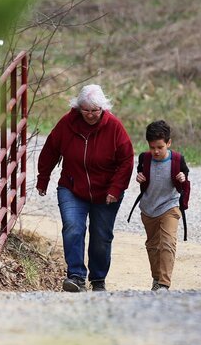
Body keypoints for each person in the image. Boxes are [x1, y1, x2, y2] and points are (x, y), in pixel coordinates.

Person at [36, 84, 134, 292]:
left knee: (101, 236)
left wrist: (115, 189)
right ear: (78, 108)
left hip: (106, 192)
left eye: (94, 111)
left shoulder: (115, 127)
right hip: (72, 187)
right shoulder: (67, 124)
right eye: (85, 110)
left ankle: (98, 280)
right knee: (73, 228)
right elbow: (50, 150)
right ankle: (76, 277)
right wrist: (43, 178)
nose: (90, 115)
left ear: (103, 109)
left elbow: (126, 161)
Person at [134, 120, 190, 291]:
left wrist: (182, 179)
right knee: (153, 246)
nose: (156, 151)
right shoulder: (144, 158)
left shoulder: (178, 160)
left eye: (160, 147)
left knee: (167, 243)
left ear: (168, 143)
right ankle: (157, 278)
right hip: (149, 207)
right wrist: (140, 177)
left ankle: (164, 285)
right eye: (152, 147)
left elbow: (185, 178)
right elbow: (141, 173)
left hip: (170, 206)